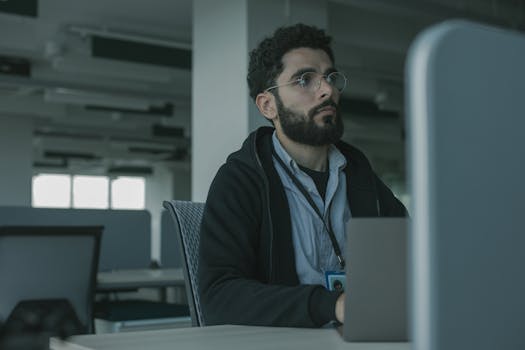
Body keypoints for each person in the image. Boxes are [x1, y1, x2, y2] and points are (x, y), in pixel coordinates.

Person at [198, 23, 407, 328]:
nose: (327, 90)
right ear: (268, 105)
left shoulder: (360, 175)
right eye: (304, 80)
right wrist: (330, 305)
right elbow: (219, 298)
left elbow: (411, 258)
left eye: (330, 77)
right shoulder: (241, 180)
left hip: (365, 335)